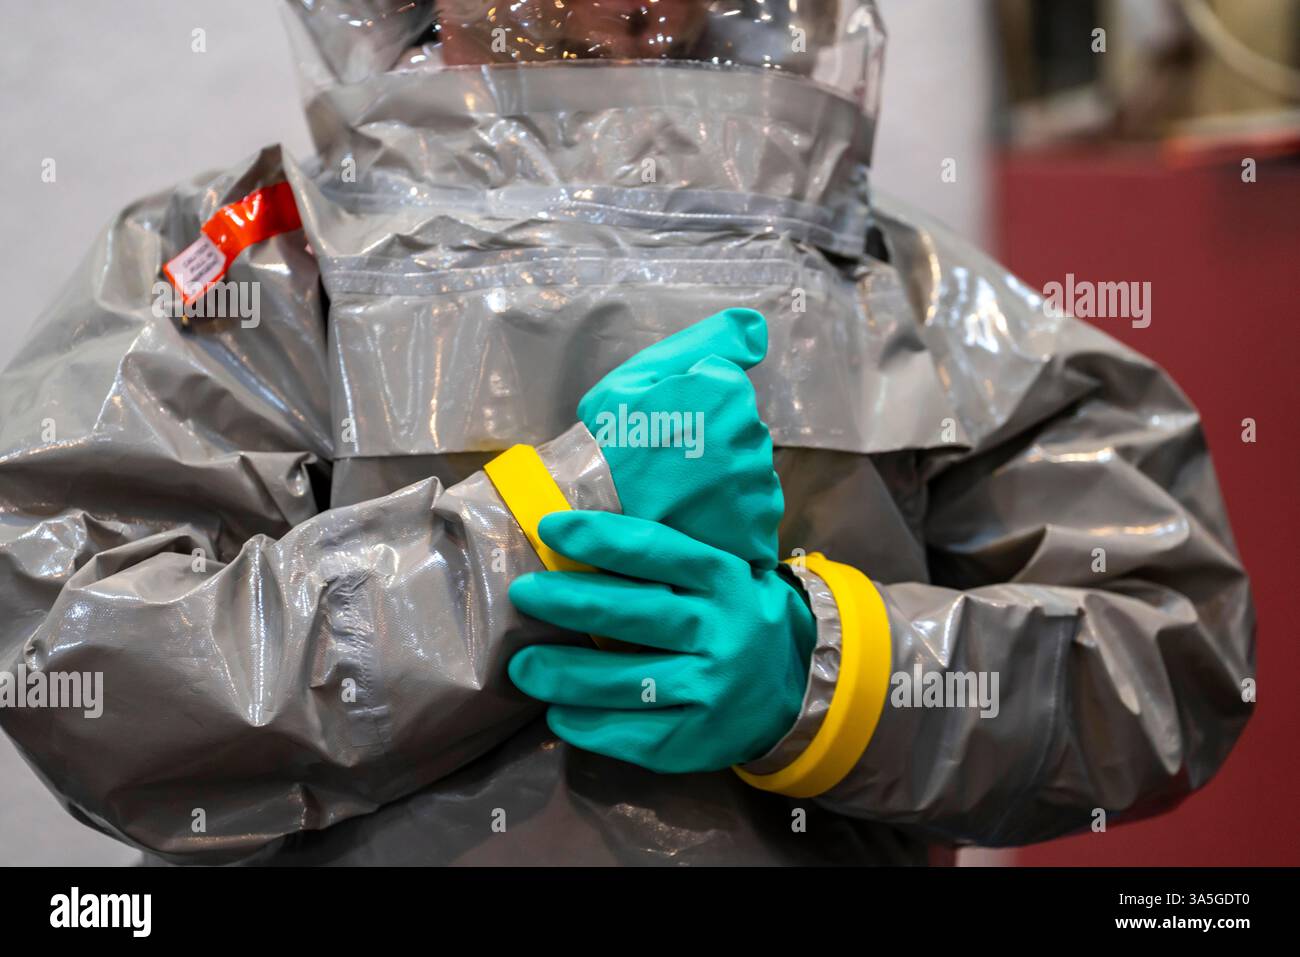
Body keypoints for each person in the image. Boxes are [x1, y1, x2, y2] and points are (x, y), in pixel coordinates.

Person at [0, 0, 1254, 865]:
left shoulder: (893, 288)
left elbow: (1168, 651)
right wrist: (531, 535)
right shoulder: (260, 269)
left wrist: (824, 677)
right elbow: (85, 662)